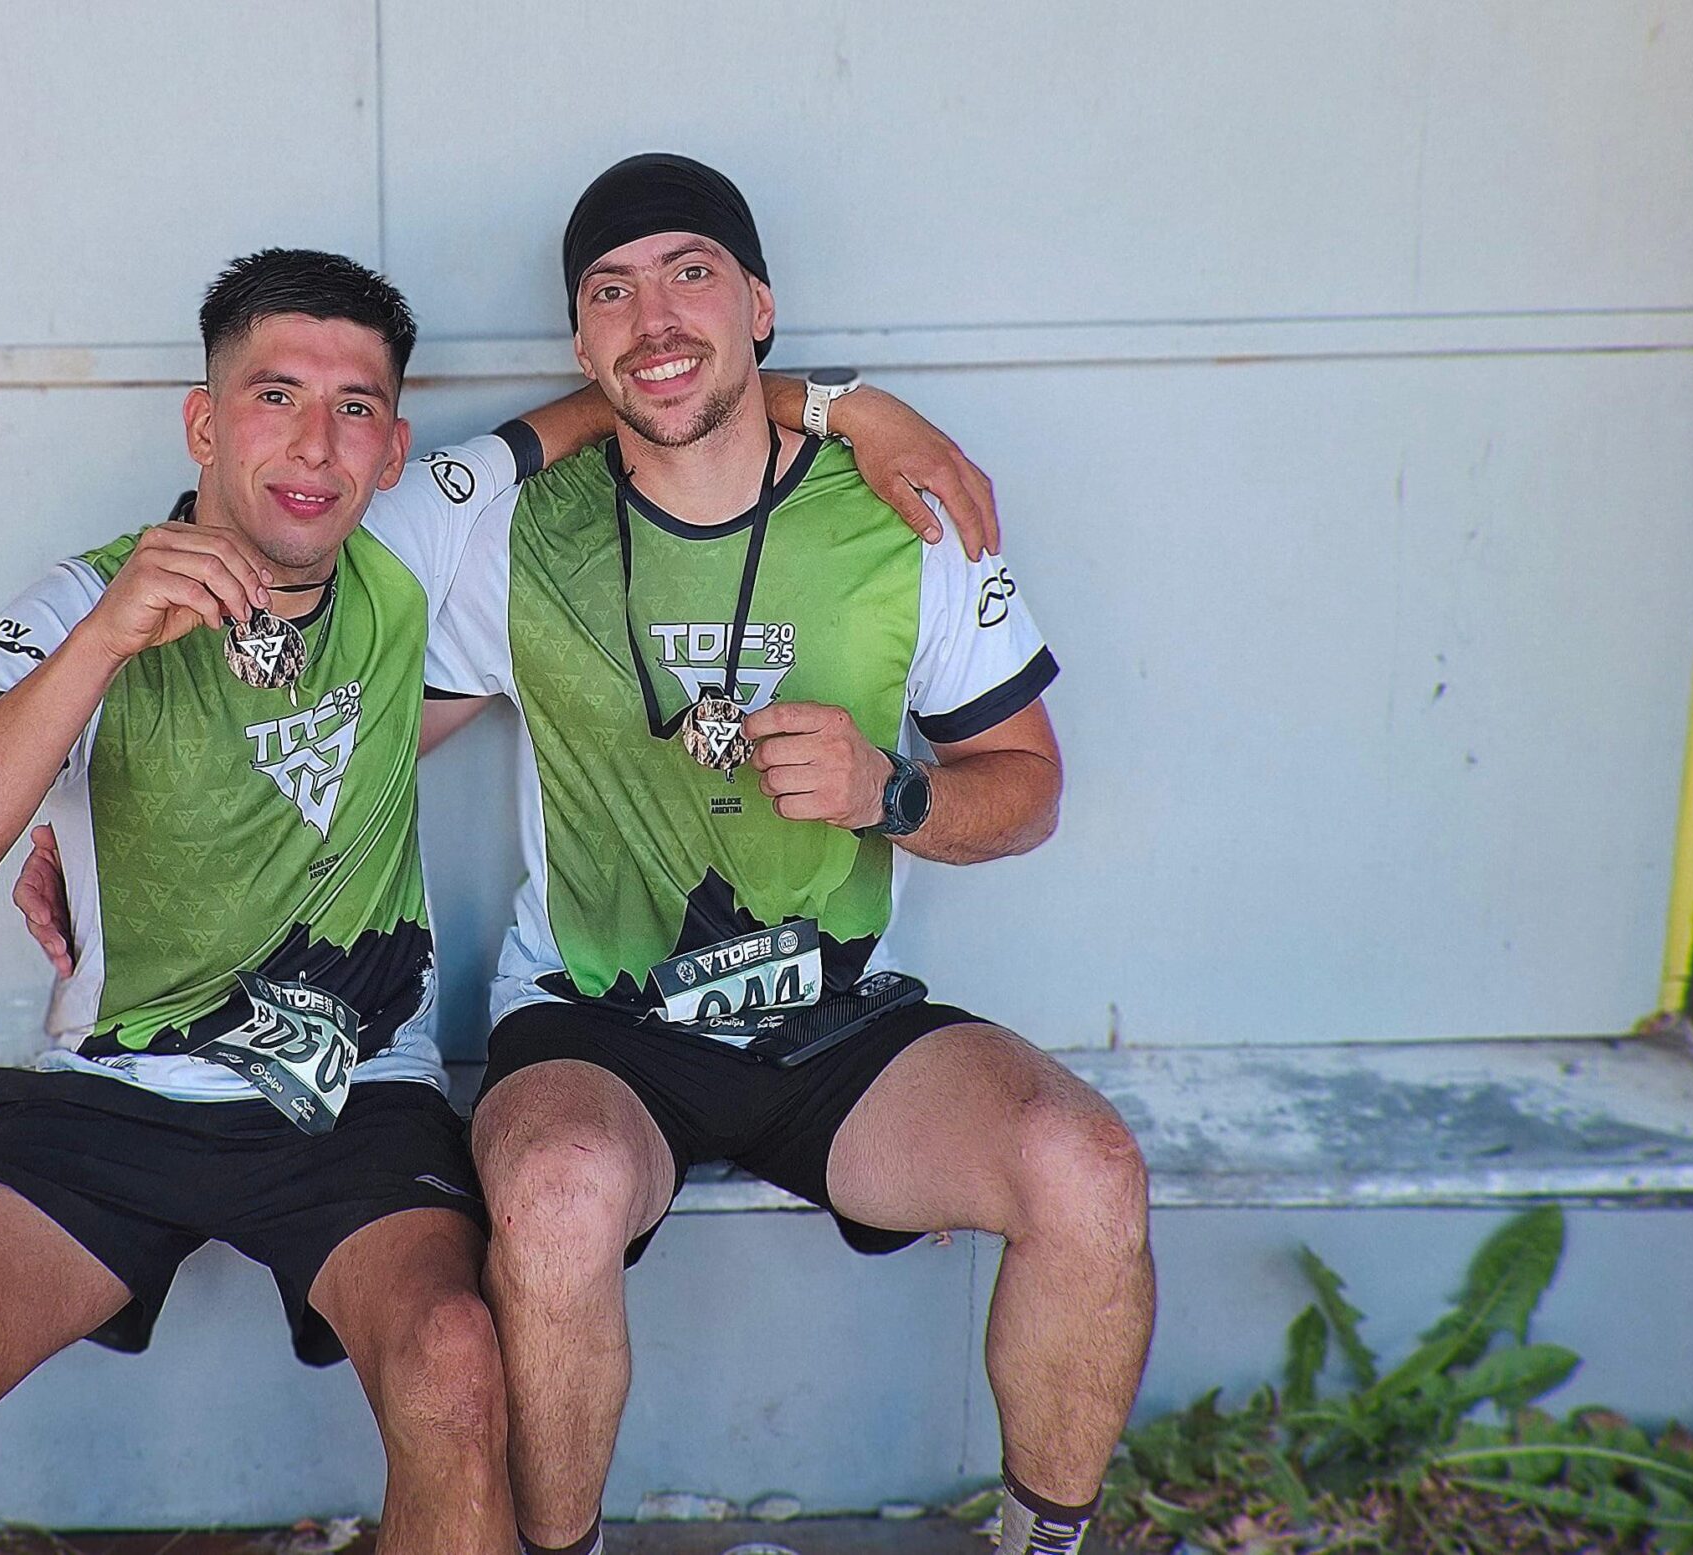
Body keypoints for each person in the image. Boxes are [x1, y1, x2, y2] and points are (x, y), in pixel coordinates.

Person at [0, 245, 989, 1555]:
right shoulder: (80, 598)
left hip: (351, 1096)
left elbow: (649, 392)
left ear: (393, 451)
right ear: (204, 423)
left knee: (454, 1359)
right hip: (117, 1090)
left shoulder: (415, 537)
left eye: (355, 408)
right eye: (273, 396)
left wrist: (847, 410)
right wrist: (98, 655)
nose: (312, 443)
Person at [425, 155, 1154, 1555]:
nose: (655, 318)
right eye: (611, 292)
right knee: (556, 1192)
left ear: (761, 307)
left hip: (833, 1023)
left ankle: (1042, 1544)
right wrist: (92, 838)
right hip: (599, 1024)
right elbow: (359, 734)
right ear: (578, 343)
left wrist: (894, 795)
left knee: (1087, 1166)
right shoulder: (516, 533)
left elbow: (1030, 788)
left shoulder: (901, 513)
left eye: (691, 274)